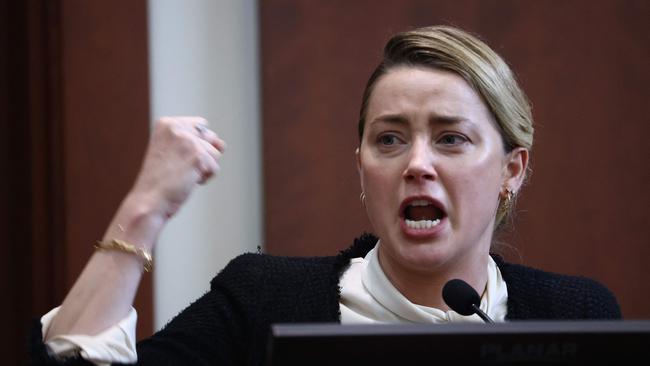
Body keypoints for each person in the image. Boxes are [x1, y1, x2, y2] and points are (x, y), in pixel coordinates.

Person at [29, 25, 621, 365]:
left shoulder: (579, 316)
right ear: (362, 167)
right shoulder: (263, 300)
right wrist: (145, 209)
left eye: (451, 138)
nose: (417, 163)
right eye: (389, 139)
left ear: (511, 171)